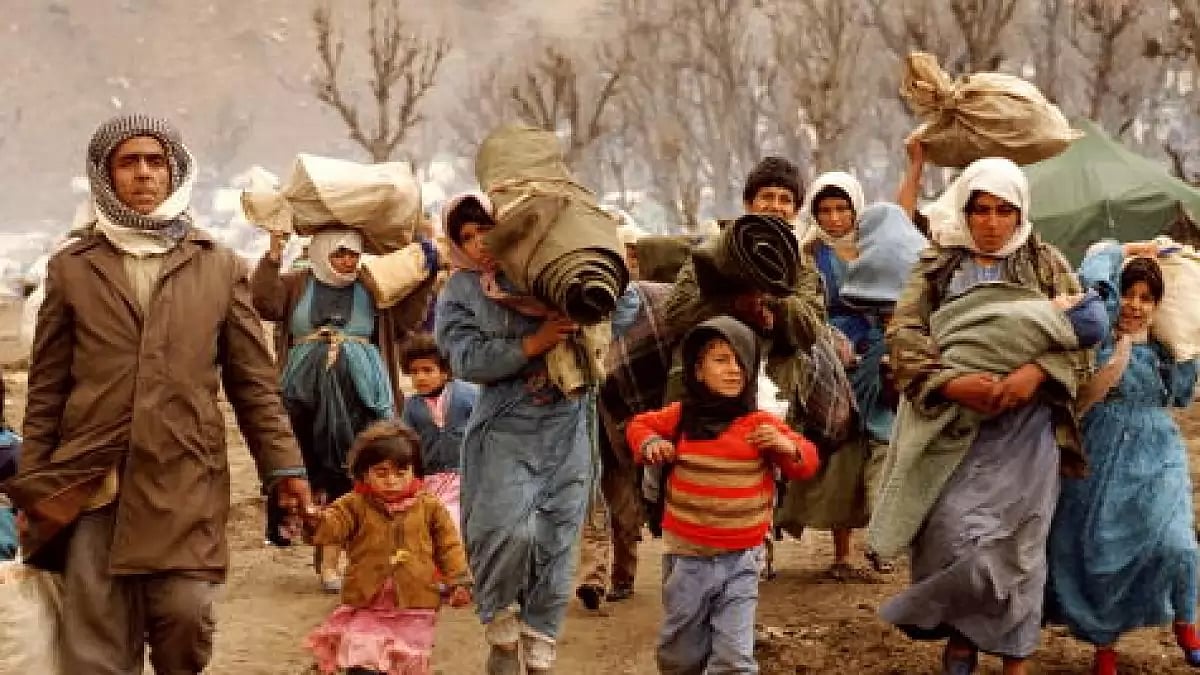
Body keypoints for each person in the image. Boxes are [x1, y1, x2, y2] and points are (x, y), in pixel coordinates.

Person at [6, 114, 311, 674]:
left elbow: (254, 386)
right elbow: (47, 391)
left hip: (184, 477)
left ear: (174, 172)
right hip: (91, 483)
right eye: (129, 162)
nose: (144, 174)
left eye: (155, 161)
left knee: (186, 617)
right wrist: (34, 487)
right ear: (104, 175)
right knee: (94, 647)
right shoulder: (72, 268)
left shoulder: (217, 265)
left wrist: (283, 468)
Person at [877, 157, 1089, 675]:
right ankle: (962, 636)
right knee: (953, 534)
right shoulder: (938, 265)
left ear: (1021, 214)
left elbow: (1082, 341)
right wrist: (952, 382)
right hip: (951, 426)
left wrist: (1036, 374)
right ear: (966, 212)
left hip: (1027, 430)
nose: (992, 223)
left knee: (1019, 545)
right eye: (981, 210)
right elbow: (904, 336)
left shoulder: (1047, 265)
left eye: (1003, 211)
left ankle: (1013, 656)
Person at [435, 191, 639, 673]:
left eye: (485, 228)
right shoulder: (462, 291)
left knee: (555, 534)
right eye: (466, 236)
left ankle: (541, 633)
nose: (479, 242)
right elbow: (464, 358)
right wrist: (533, 343)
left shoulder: (551, 265)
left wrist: (581, 286)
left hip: (569, 422)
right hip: (506, 424)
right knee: (508, 531)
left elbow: (622, 303)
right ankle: (500, 616)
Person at [626, 316, 820, 674]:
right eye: (720, 360)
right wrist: (651, 443)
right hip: (687, 560)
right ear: (698, 371)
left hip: (741, 562)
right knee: (681, 655)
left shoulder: (760, 424)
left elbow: (805, 462)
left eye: (740, 361)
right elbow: (639, 425)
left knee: (734, 658)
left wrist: (785, 445)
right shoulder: (682, 415)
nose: (733, 370)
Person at [252, 228, 436, 591]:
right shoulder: (296, 284)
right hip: (305, 396)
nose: (347, 262)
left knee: (367, 472)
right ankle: (327, 559)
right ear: (320, 253)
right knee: (313, 474)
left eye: (353, 254)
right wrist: (273, 255)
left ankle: (369, 558)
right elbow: (264, 302)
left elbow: (407, 320)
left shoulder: (372, 286)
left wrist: (422, 273)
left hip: (362, 395)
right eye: (338, 255)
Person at [1047, 241, 1200, 675]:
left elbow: (1183, 394)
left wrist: (1187, 350)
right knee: (1102, 556)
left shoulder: (1165, 354)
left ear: (1158, 305)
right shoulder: (1096, 344)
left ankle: (1187, 622)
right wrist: (1127, 247)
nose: (1134, 305)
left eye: (1146, 298)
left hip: (1158, 454)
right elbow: (1095, 271)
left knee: (1180, 545)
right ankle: (1105, 648)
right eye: (1128, 294)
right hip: (1097, 456)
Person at [778, 171, 898, 579]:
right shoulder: (808, 255)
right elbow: (807, 309)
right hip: (833, 364)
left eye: (841, 208)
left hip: (880, 363)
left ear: (856, 209)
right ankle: (842, 554)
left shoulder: (876, 247)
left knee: (883, 447)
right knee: (840, 454)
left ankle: (883, 542)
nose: (833, 218)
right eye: (825, 210)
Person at [306, 420, 472, 675]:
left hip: (414, 605)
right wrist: (315, 520)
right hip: (366, 602)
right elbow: (332, 528)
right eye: (381, 473)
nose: (392, 481)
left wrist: (459, 580)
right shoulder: (354, 504)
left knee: (400, 663)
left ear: (414, 471)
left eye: (400, 472)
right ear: (364, 474)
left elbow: (449, 546)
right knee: (362, 660)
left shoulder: (430, 506)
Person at [399, 333, 478, 529]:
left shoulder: (468, 395)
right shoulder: (412, 406)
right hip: (430, 480)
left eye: (428, 370)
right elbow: (406, 444)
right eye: (414, 372)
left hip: (465, 477)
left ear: (445, 371)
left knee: (457, 525)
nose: (420, 377)